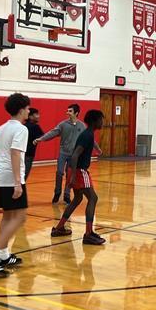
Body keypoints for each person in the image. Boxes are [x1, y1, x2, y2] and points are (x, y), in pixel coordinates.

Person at [0, 92, 30, 277]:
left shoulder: (1, 128)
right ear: (20, 110)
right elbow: (15, 153)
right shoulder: (21, 129)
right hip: (11, 179)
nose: (29, 111)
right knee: (20, 217)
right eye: (27, 108)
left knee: (8, 216)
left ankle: (3, 254)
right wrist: (18, 183)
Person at [50, 110, 106, 245]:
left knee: (77, 198)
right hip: (79, 170)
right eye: (101, 119)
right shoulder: (87, 135)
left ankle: (59, 228)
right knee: (93, 198)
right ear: (95, 121)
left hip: (75, 169)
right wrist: (73, 176)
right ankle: (88, 234)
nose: (102, 122)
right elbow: (75, 155)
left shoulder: (88, 134)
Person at [34, 103, 97, 204]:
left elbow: (90, 139)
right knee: (59, 172)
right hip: (63, 153)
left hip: (74, 155)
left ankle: (67, 195)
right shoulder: (63, 124)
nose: (67, 113)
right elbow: (52, 132)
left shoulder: (82, 126)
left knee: (69, 174)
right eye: (67, 111)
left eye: (70, 111)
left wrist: (97, 149)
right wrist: (41, 139)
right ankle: (57, 192)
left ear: (76, 113)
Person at [23, 107, 44, 181]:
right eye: (36, 114)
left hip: (21, 153)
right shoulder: (35, 127)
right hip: (28, 154)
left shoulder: (23, 126)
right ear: (30, 116)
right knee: (24, 175)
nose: (38, 116)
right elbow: (44, 137)